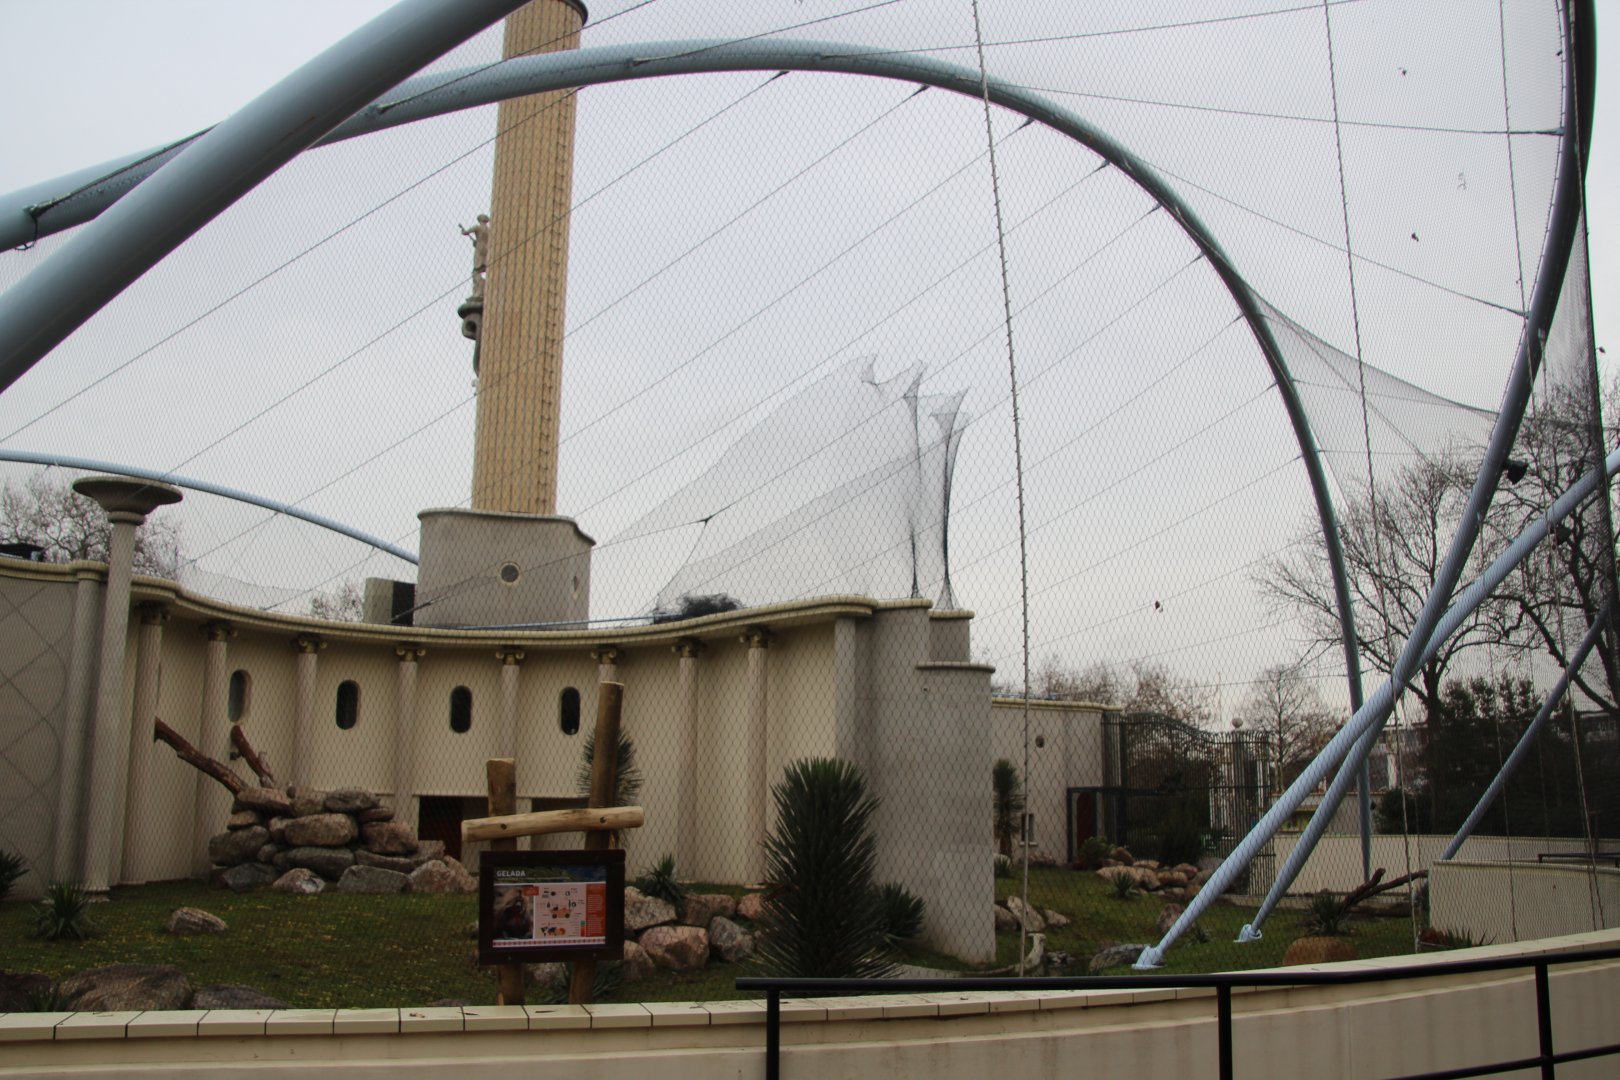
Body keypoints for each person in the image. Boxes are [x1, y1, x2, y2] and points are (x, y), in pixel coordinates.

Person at [460, 213, 490, 298]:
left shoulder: (478, 227)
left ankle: (479, 290)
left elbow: (465, 232)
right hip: (487, 249)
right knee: (486, 267)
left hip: (479, 248)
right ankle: (485, 288)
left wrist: (462, 230)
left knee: (476, 270)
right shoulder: (489, 230)